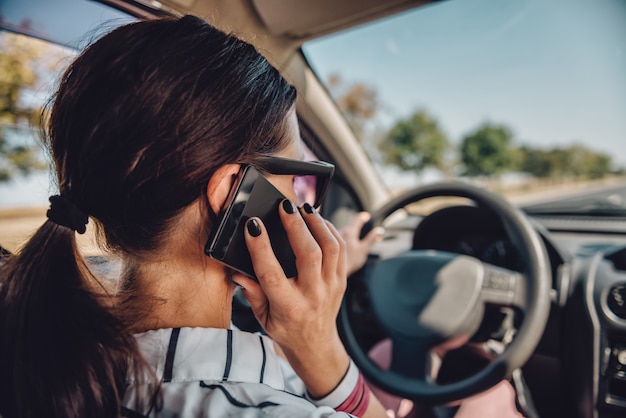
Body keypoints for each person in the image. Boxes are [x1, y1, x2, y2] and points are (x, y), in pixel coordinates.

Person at [0, 15, 387, 418]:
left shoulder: (50, 354)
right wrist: (322, 352)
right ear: (232, 193)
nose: (307, 203)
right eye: (296, 179)